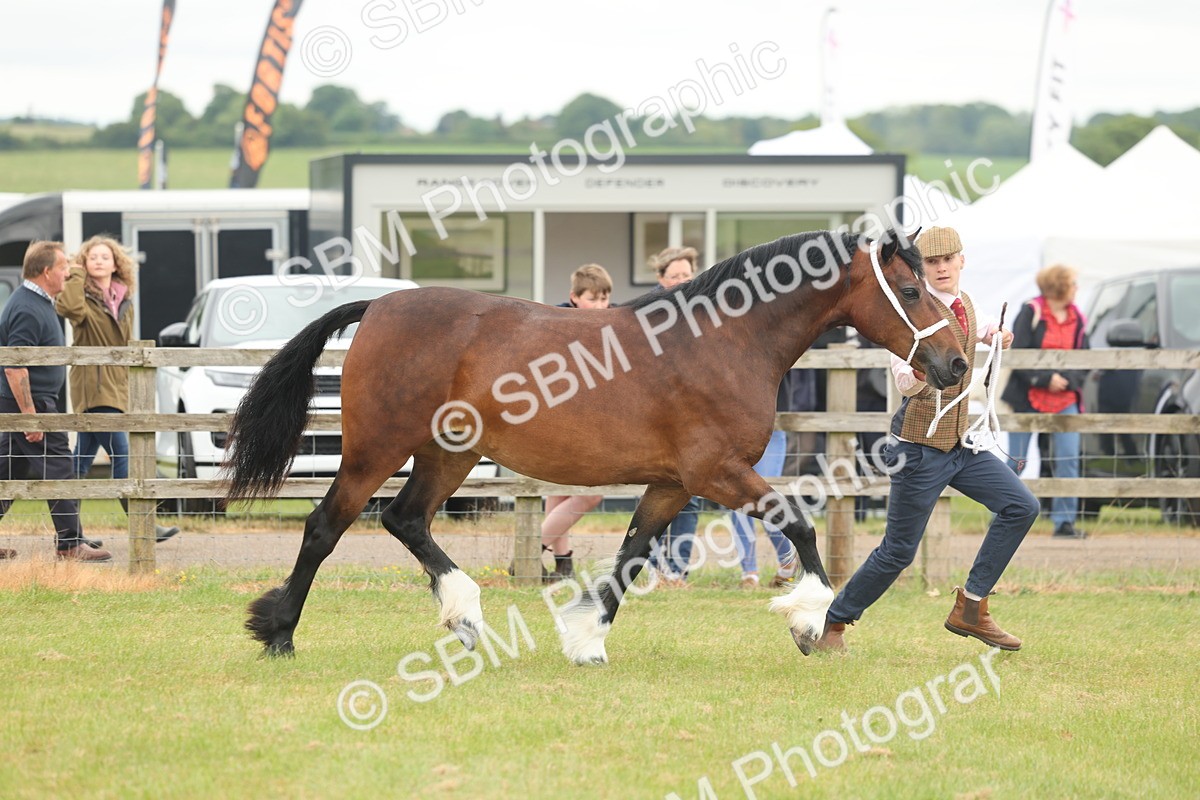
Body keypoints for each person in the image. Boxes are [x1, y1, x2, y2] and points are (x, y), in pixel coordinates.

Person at [816, 227, 1038, 653]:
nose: (940, 268)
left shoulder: (966, 304)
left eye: (947, 260)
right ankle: (833, 622)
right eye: (932, 263)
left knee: (1022, 506)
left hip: (958, 445)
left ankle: (971, 607)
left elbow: (979, 323)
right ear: (921, 269)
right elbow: (904, 382)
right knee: (898, 552)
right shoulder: (909, 312)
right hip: (917, 449)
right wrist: (920, 374)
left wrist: (997, 334)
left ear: (961, 261)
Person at [54, 236, 179, 545]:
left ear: (115, 263)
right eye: (92, 257)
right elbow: (67, 308)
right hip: (94, 386)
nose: (98, 261)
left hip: (118, 385)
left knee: (79, 463)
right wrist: (75, 273)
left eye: (104, 257)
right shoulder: (80, 294)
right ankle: (144, 526)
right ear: (84, 263)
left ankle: (70, 536)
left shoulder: (124, 297)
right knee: (123, 453)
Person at [0, 241, 110, 561]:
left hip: (27, 403)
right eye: (63, 268)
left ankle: (72, 541)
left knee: (8, 471)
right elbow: (15, 365)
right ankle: (70, 545)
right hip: (32, 405)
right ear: (47, 271)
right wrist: (30, 416)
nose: (68, 273)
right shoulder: (27, 307)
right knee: (59, 469)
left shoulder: (37, 301)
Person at [1001, 264, 1090, 539]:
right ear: (1060, 286)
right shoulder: (1031, 311)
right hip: (1027, 396)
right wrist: (1043, 379)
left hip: (1065, 398)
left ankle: (1064, 522)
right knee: (1017, 460)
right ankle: (1002, 514)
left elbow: (1085, 356)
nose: (1076, 288)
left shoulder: (1078, 317)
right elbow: (1019, 354)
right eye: (1073, 283)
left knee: (1068, 459)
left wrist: (1067, 381)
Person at [539, 264, 613, 581]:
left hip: (590, 422)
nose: (601, 306)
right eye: (593, 299)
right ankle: (527, 554)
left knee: (560, 495)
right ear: (574, 298)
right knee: (589, 494)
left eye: (605, 298)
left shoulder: (613, 324)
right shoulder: (553, 324)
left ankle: (562, 565)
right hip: (557, 421)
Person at [643, 246, 704, 587]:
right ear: (661, 279)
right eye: (675, 276)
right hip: (655, 418)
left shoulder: (704, 310)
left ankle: (677, 571)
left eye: (686, 274)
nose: (682, 281)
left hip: (691, 418)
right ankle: (652, 569)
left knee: (690, 497)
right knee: (655, 499)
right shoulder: (645, 311)